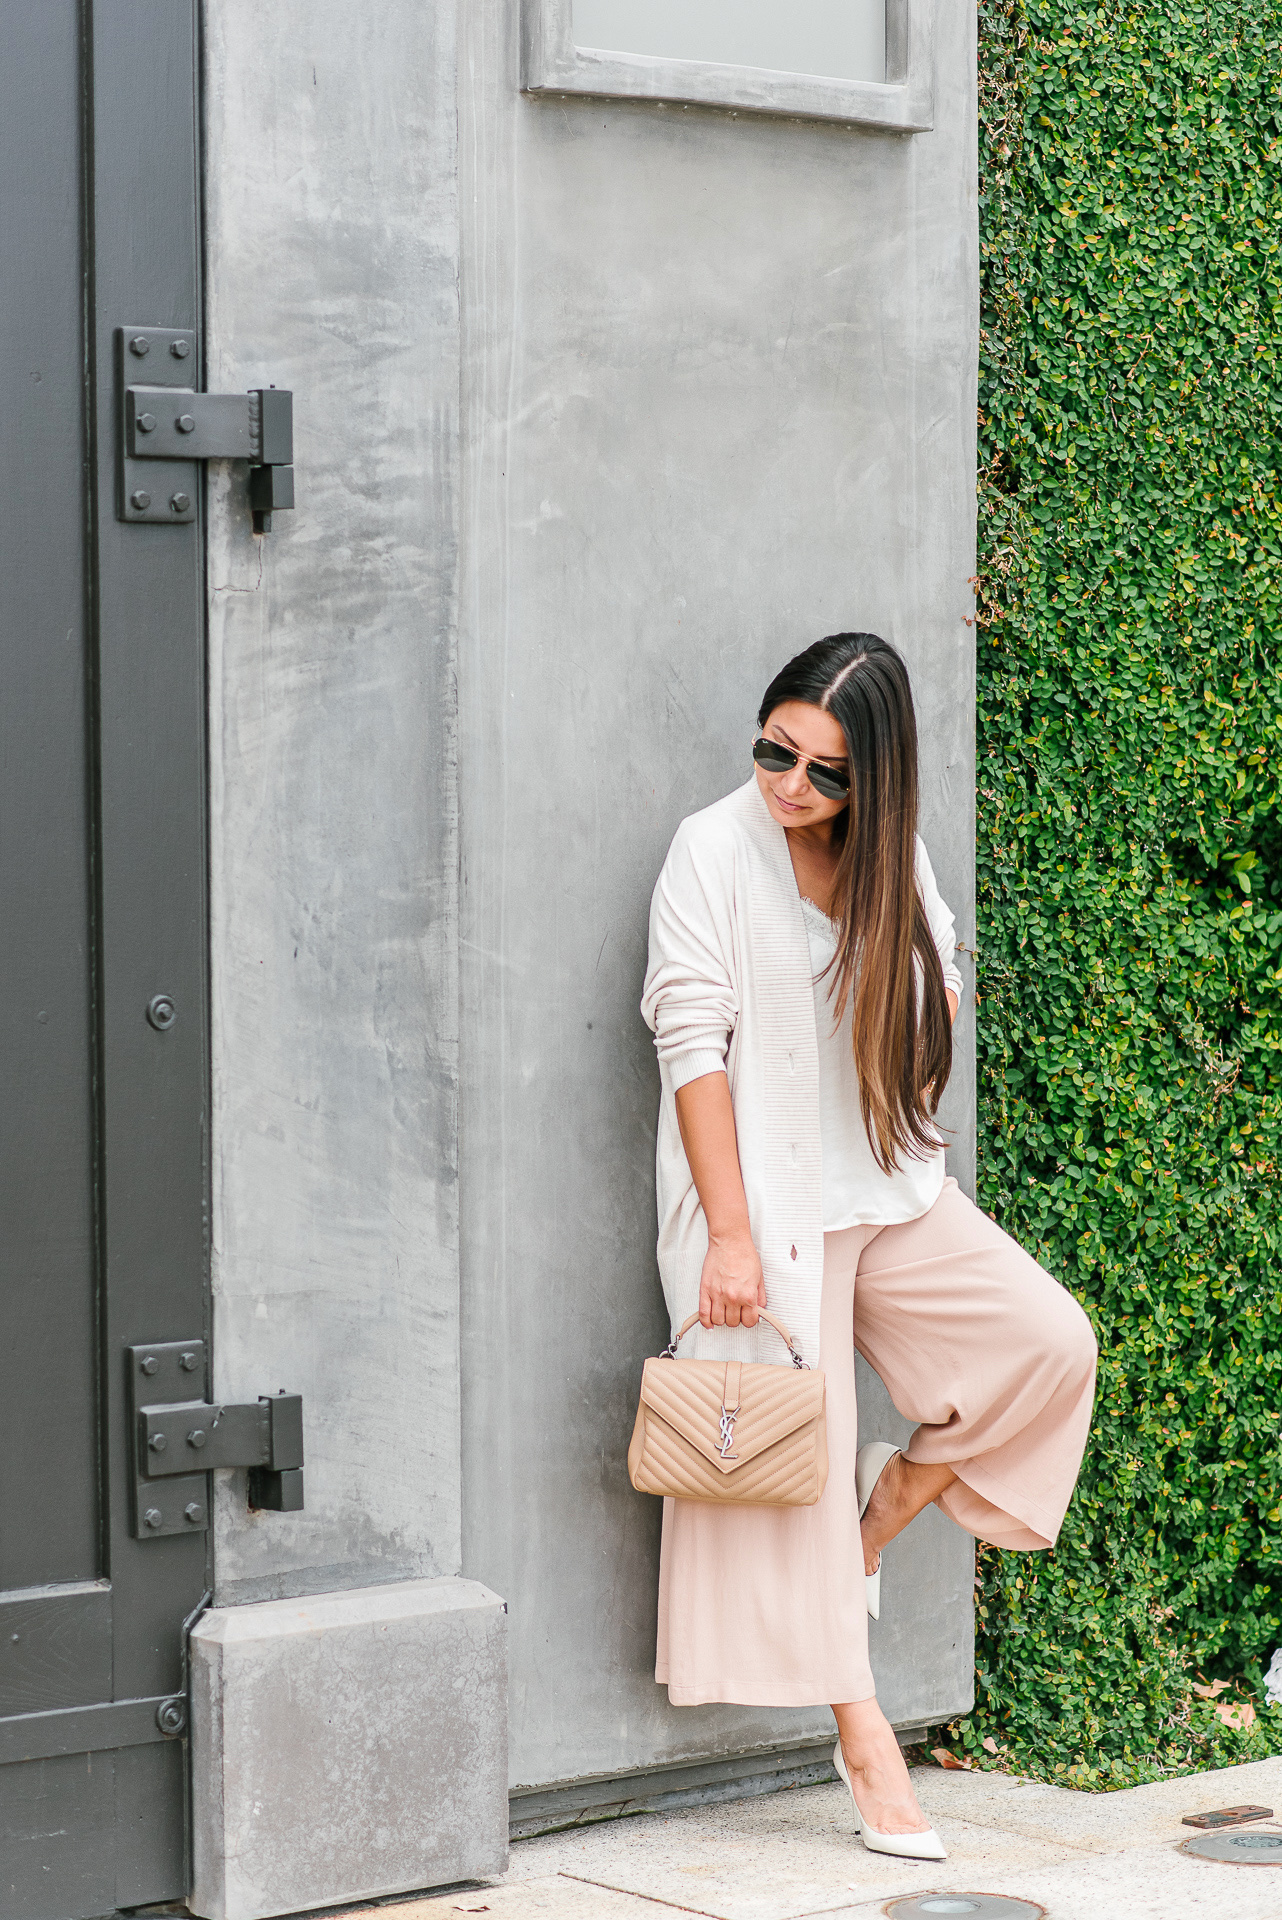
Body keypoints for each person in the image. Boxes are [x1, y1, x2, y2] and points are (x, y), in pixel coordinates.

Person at [640, 633, 1097, 1860]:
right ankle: (865, 1740)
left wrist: (922, 1002)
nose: (791, 784)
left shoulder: (894, 855)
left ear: (876, 779)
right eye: (774, 750)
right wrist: (728, 1238)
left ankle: (877, 1513)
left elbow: (943, 976)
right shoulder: (710, 849)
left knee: (1047, 1343)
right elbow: (689, 1045)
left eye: (825, 771)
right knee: (796, 1464)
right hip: (765, 1217)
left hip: (889, 1190)